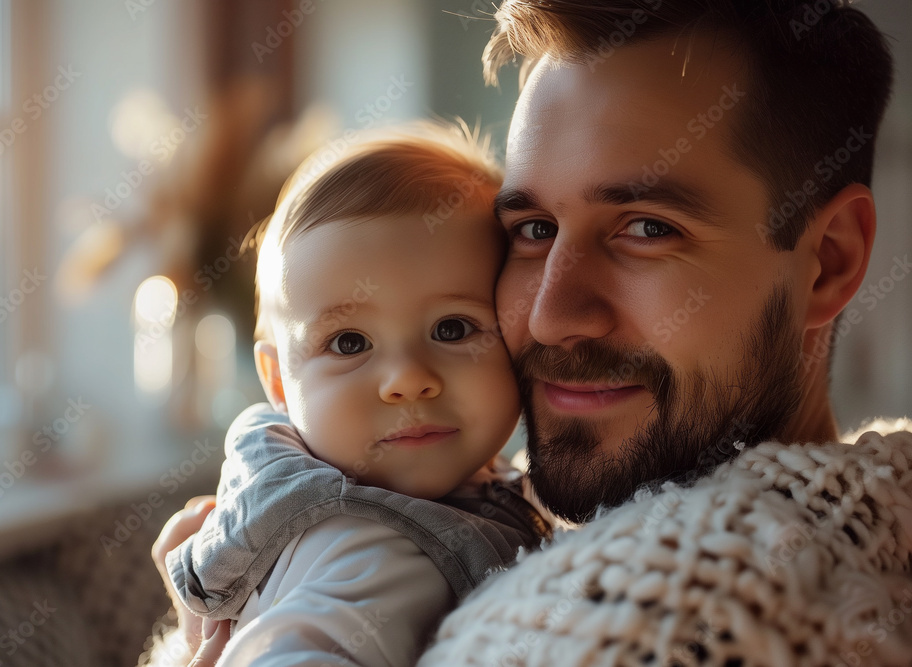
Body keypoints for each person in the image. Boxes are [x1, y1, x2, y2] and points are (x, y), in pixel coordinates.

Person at [153, 1, 912, 664]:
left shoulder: (694, 611)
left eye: (647, 227)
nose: (551, 313)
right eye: (534, 228)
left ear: (829, 262)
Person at [148, 122, 551, 667]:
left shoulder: (286, 489)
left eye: (453, 329)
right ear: (277, 383)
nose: (407, 380)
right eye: (349, 342)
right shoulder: (376, 544)